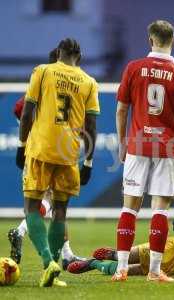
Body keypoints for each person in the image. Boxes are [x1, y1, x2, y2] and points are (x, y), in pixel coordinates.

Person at [114, 20, 174, 283]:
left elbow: (121, 109)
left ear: (150, 41)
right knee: (160, 210)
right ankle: (153, 272)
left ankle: (121, 269)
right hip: (168, 148)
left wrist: (122, 143)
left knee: (129, 208)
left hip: (137, 144)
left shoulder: (133, 68)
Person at [18, 38, 99, 287]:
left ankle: (47, 261)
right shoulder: (89, 82)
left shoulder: (42, 71)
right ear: (80, 55)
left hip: (41, 148)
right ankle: (53, 268)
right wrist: (89, 161)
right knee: (60, 211)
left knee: (32, 207)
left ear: (59, 52)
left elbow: (27, 112)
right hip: (68, 153)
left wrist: (21, 145)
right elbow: (91, 126)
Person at [8, 48, 80, 269]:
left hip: (37, 149)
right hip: (49, 151)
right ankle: (21, 231)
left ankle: (66, 253)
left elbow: (19, 108)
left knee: (49, 203)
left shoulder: (42, 84)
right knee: (55, 203)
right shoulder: (59, 85)